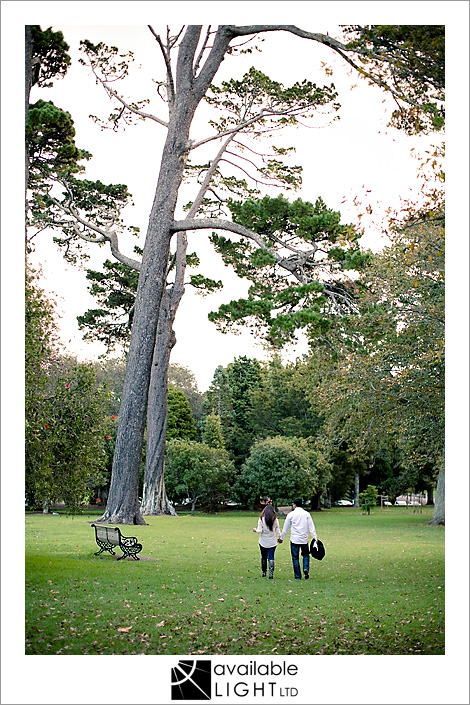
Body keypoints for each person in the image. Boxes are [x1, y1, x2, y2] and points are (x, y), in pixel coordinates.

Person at [278, 498, 317, 580]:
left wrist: (281, 538)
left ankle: (298, 575)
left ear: (295, 505)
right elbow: (311, 526)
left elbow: (285, 528)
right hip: (304, 539)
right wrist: (315, 537)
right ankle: (305, 568)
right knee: (306, 555)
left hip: (294, 539)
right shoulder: (306, 514)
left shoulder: (291, 514)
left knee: (295, 557)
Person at [252, 504, 281, 579]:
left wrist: (255, 530)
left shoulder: (261, 519)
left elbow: (260, 531)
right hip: (272, 541)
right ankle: (271, 573)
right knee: (271, 557)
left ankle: (264, 572)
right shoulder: (275, 520)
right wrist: (280, 537)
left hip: (263, 541)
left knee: (263, 557)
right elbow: (277, 530)